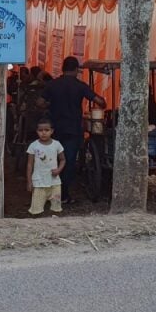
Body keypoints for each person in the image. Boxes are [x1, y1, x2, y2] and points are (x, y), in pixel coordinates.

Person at [41, 56, 105, 204]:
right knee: (68, 162)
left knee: (52, 160)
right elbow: (100, 101)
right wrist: (103, 103)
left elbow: (40, 102)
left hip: (54, 130)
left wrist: (51, 105)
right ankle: (63, 195)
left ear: (62, 68)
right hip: (73, 130)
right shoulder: (80, 86)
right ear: (77, 70)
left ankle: (47, 193)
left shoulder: (52, 85)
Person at [25, 118, 65, 216]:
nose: (43, 133)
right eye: (40, 130)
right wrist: (29, 181)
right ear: (37, 131)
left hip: (54, 182)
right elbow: (30, 164)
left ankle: (54, 223)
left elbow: (63, 160)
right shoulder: (33, 146)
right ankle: (37, 223)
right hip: (39, 182)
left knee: (56, 209)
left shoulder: (57, 144)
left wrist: (58, 170)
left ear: (52, 131)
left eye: (47, 130)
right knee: (36, 210)